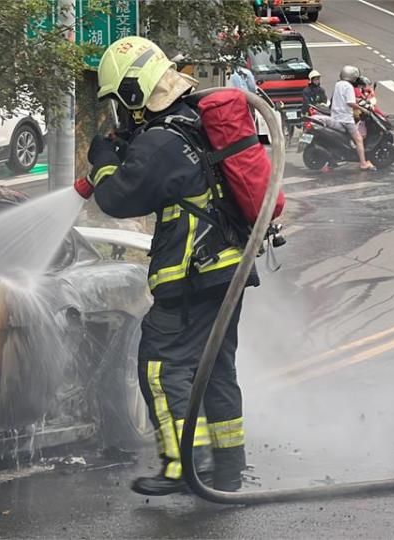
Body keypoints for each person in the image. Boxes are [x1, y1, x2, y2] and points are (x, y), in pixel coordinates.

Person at [83, 36, 256, 495]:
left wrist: (102, 161)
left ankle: (183, 465)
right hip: (227, 269)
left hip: (191, 275)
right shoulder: (191, 123)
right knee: (215, 367)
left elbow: (117, 197)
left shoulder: (161, 141)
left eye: (122, 100)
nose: (121, 110)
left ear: (137, 93)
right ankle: (227, 467)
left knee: (160, 366)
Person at [331, 65, 375, 170]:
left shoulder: (338, 84)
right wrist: (363, 109)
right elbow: (350, 102)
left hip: (335, 116)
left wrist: (358, 100)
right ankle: (363, 163)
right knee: (359, 139)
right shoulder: (349, 86)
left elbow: (343, 98)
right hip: (345, 118)